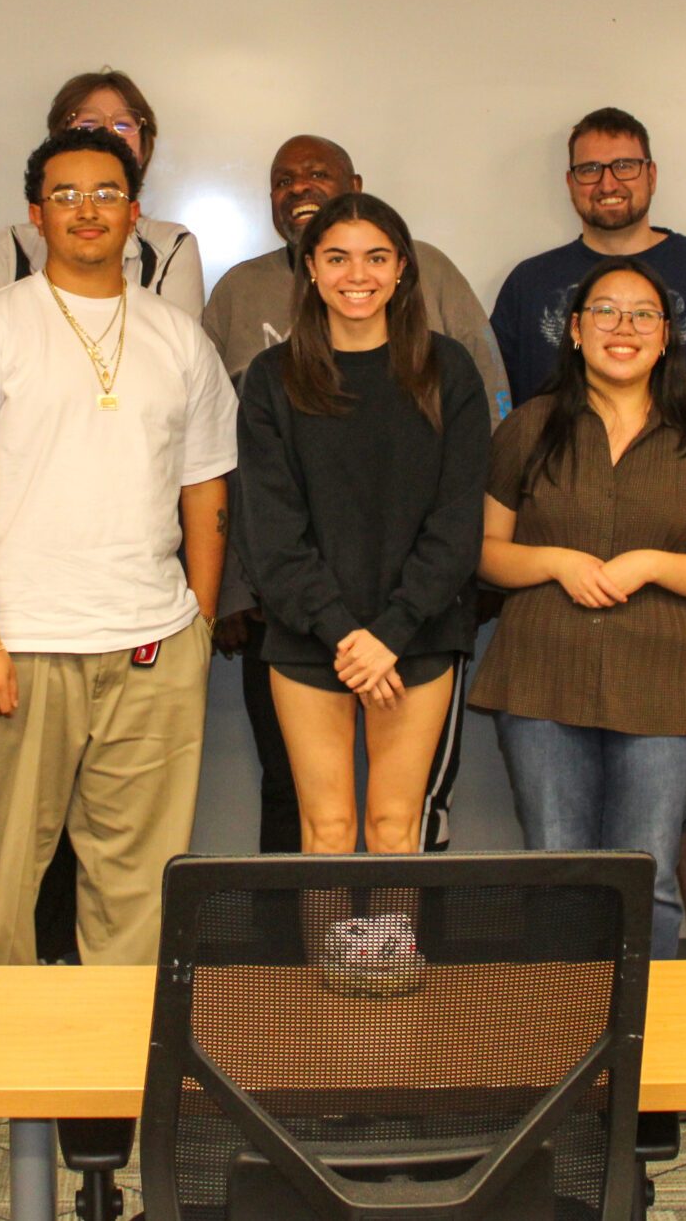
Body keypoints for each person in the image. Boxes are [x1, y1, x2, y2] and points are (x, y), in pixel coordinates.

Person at [0, 127, 235, 966]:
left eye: (104, 194)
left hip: (152, 647)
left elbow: (205, 488)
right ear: (34, 215)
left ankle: (116, 1078)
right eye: (65, 194)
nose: (86, 210)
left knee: (138, 877)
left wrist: (196, 618)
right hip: (20, 646)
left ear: (134, 214)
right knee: (11, 872)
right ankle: (4, 1082)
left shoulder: (179, 338)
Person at [490, 106, 686, 959]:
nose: (622, 328)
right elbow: (488, 553)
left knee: (647, 877)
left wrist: (653, 562)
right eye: (604, 314)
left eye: (641, 317)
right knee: (557, 870)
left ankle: (642, 1073)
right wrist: (557, 561)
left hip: (663, 675)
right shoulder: (529, 427)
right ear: (573, 332)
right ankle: (567, 1059)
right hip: (542, 675)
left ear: (666, 338)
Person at [203, 134, 510, 858]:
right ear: (309, 269)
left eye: (376, 257)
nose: (357, 275)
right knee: (328, 829)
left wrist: (392, 632)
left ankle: (389, 975)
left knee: (394, 828)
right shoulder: (271, 379)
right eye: (336, 257)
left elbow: (458, 518)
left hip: (420, 634)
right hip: (312, 639)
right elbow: (271, 530)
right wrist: (346, 633)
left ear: (403, 270)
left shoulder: (449, 370)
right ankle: (332, 974)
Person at [0, 69, 204, 315]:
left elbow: (175, 346)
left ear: (144, 148)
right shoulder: (5, 250)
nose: (107, 135)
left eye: (123, 125)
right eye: (89, 124)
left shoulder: (171, 247)